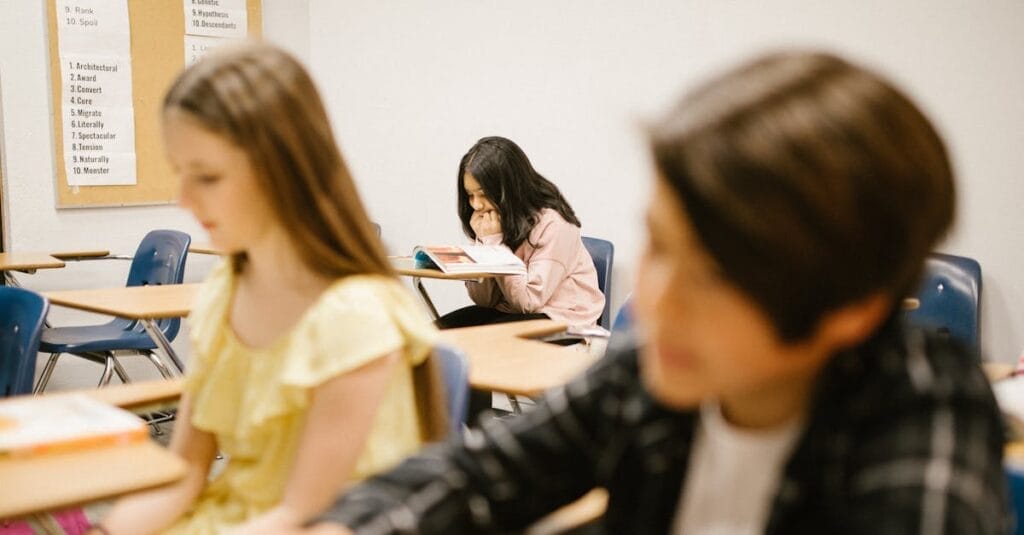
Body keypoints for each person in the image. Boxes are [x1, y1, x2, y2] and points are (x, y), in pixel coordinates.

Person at [304, 51, 1009, 533]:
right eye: (656, 243)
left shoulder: (923, 411)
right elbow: (480, 473)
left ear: (849, 306)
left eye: (708, 273)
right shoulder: (655, 372)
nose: (652, 298)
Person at [91, 43, 447, 535]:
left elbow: (300, 516)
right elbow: (187, 473)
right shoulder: (225, 291)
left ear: (285, 171)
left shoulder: (352, 317)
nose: (184, 199)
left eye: (208, 176)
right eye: (180, 173)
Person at [436, 136, 605, 330]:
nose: (476, 205)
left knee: (480, 340)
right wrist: (484, 242)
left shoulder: (555, 224)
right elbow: (484, 300)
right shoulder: (493, 222)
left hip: (562, 319)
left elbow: (528, 302)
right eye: (470, 195)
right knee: (434, 334)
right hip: (511, 312)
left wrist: (494, 246)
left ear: (509, 189)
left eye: (483, 194)